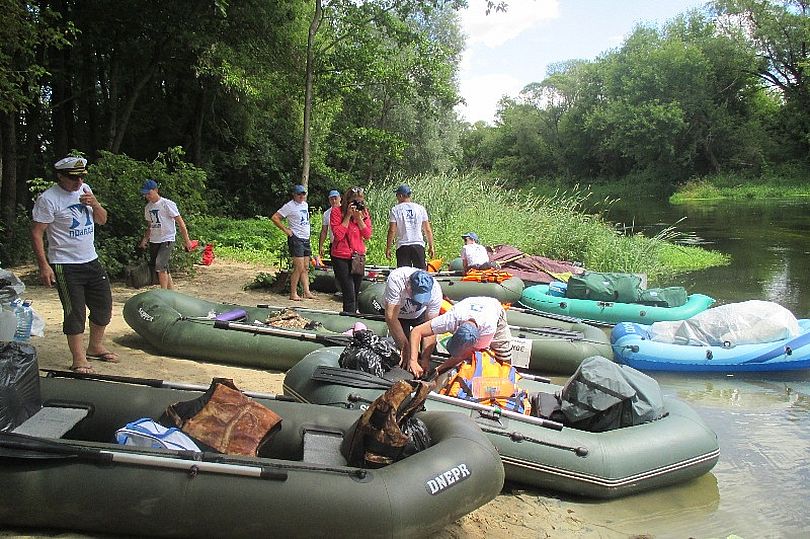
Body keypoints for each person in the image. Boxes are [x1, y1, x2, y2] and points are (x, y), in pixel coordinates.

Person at [31, 156, 119, 374]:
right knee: (75, 312)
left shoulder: (84, 189)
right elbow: (36, 232)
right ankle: (78, 358)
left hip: (91, 259)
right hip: (65, 263)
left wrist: (95, 204)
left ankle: (95, 346)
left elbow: (102, 219)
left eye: (81, 177)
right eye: (73, 178)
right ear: (60, 176)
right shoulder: (49, 199)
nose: (78, 182)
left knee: (104, 307)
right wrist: (44, 265)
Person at [406, 296, 512, 378]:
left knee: (503, 358)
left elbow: (463, 356)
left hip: (495, 309)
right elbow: (416, 331)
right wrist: (414, 361)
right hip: (470, 305)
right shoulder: (451, 319)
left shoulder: (488, 329)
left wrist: (438, 370)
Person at [137, 179, 194, 289]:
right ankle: (171, 292)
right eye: (145, 194)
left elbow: (180, 223)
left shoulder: (167, 204)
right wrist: (145, 239)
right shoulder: (148, 208)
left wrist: (187, 240)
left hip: (167, 238)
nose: (147, 196)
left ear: (156, 190)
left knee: (160, 265)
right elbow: (150, 226)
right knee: (163, 266)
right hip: (154, 239)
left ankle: (164, 293)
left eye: (149, 193)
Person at [382, 266, 443, 366]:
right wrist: (406, 349)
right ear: (408, 285)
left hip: (419, 314)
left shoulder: (436, 291)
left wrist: (425, 359)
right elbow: (391, 317)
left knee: (427, 353)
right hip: (398, 316)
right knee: (404, 354)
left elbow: (432, 326)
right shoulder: (396, 279)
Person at [330, 186, 372, 313]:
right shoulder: (337, 212)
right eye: (355, 201)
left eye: (360, 201)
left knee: (355, 292)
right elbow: (338, 235)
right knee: (349, 293)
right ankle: (349, 319)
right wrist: (348, 216)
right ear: (348, 201)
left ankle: (353, 317)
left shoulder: (363, 213)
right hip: (341, 256)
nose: (358, 204)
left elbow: (367, 234)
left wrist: (359, 218)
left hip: (357, 257)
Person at [271, 184, 317, 301]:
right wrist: (286, 230)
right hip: (296, 238)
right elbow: (275, 217)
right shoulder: (289, 206)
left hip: (305, 238)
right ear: (294, 195)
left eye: (303, 194)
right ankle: (293, 293)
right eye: (299, 194)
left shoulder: (305, 205)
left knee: (306, 267)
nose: (301, 196)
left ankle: (306, 291)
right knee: (299, 267)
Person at [385, 184, 435, 269]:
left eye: (396, 195)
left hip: (403, 246)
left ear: (401, 196)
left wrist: (388, 247)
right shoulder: (420, 208)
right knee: (420, 274)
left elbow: (392, 230)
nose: (396, 198)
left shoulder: (395, 209)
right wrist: (431, 246)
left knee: (404, 275)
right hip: (418, 244)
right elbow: (427, 229)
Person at [317, 189, 341, 264]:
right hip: (333, 243)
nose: (334, 201)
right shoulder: (326, 214)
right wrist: (321, 245)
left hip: (345, 244)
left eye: (335, 198)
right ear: (329, 200)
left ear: (340, 198)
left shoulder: (345, 210)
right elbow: (324, 231)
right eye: (331, 199)